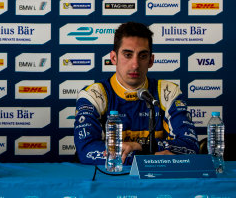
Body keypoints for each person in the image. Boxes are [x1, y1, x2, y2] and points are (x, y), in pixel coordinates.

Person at [74, 22, 198, 165]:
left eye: (142, 56)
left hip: (156, 182)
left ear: (151, 60)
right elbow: (86, 150)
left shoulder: (168, 92)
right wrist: (149, 158)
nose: (135, 65)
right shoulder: (94, 95)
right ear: (113, 58)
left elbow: (191, 145)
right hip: (109, 181)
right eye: (128, 55)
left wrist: (141, 147)